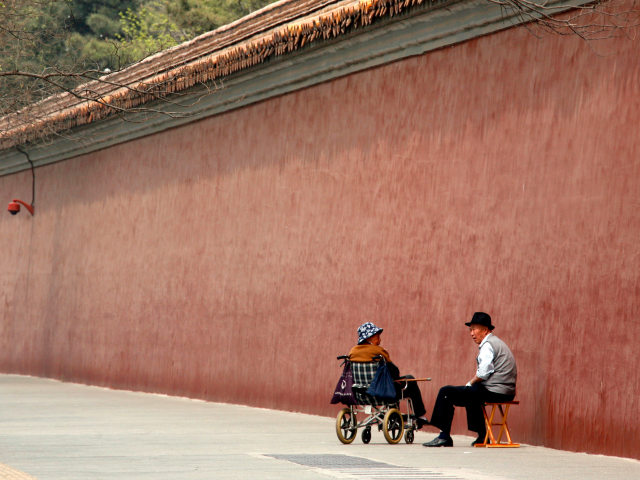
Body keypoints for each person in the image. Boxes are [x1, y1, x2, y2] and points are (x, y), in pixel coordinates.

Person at [422, 312, 517, 447]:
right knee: (472, 393)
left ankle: (444, 436)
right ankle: (482, 436)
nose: (471, 333)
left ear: (485, 330)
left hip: (494, 390)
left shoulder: (488, 345)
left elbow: (484, 373)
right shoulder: (497, 343)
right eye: (470, 330)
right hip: (506, 391)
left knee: (446, 392)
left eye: (474, 329)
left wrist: (470, 382)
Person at [349, 322, 429, 427]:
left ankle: (389, 416)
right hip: (382, 394)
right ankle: (420, 416)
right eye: (377, 337)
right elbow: (395, 373)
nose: (380, 340)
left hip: (361, 394)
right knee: (410, 380)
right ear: (369, 338)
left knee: (393, 383)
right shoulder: (379, 352)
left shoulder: (352, 352)